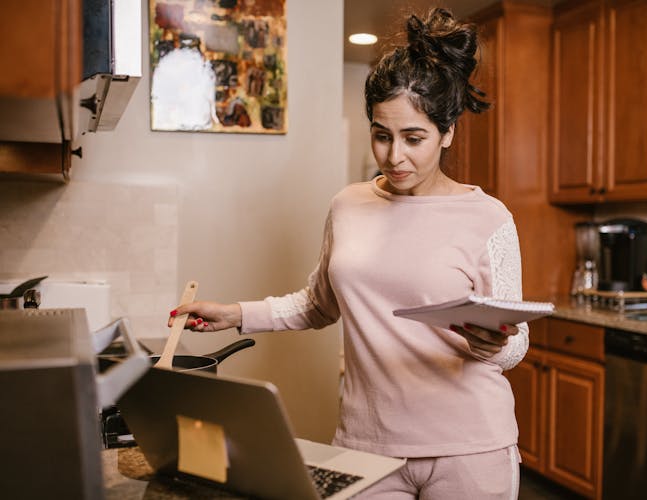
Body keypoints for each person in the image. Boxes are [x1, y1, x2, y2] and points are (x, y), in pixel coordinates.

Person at [169, 8, 529, 499]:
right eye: (382, 135)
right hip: (368, 444)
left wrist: (496, 345)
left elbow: (516, 341)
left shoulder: (490, 217)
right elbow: (317, 303)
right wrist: (233, 314)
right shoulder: (349, 206)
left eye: (414, 138)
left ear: (447, 133)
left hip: (471, 448)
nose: (395, 155)